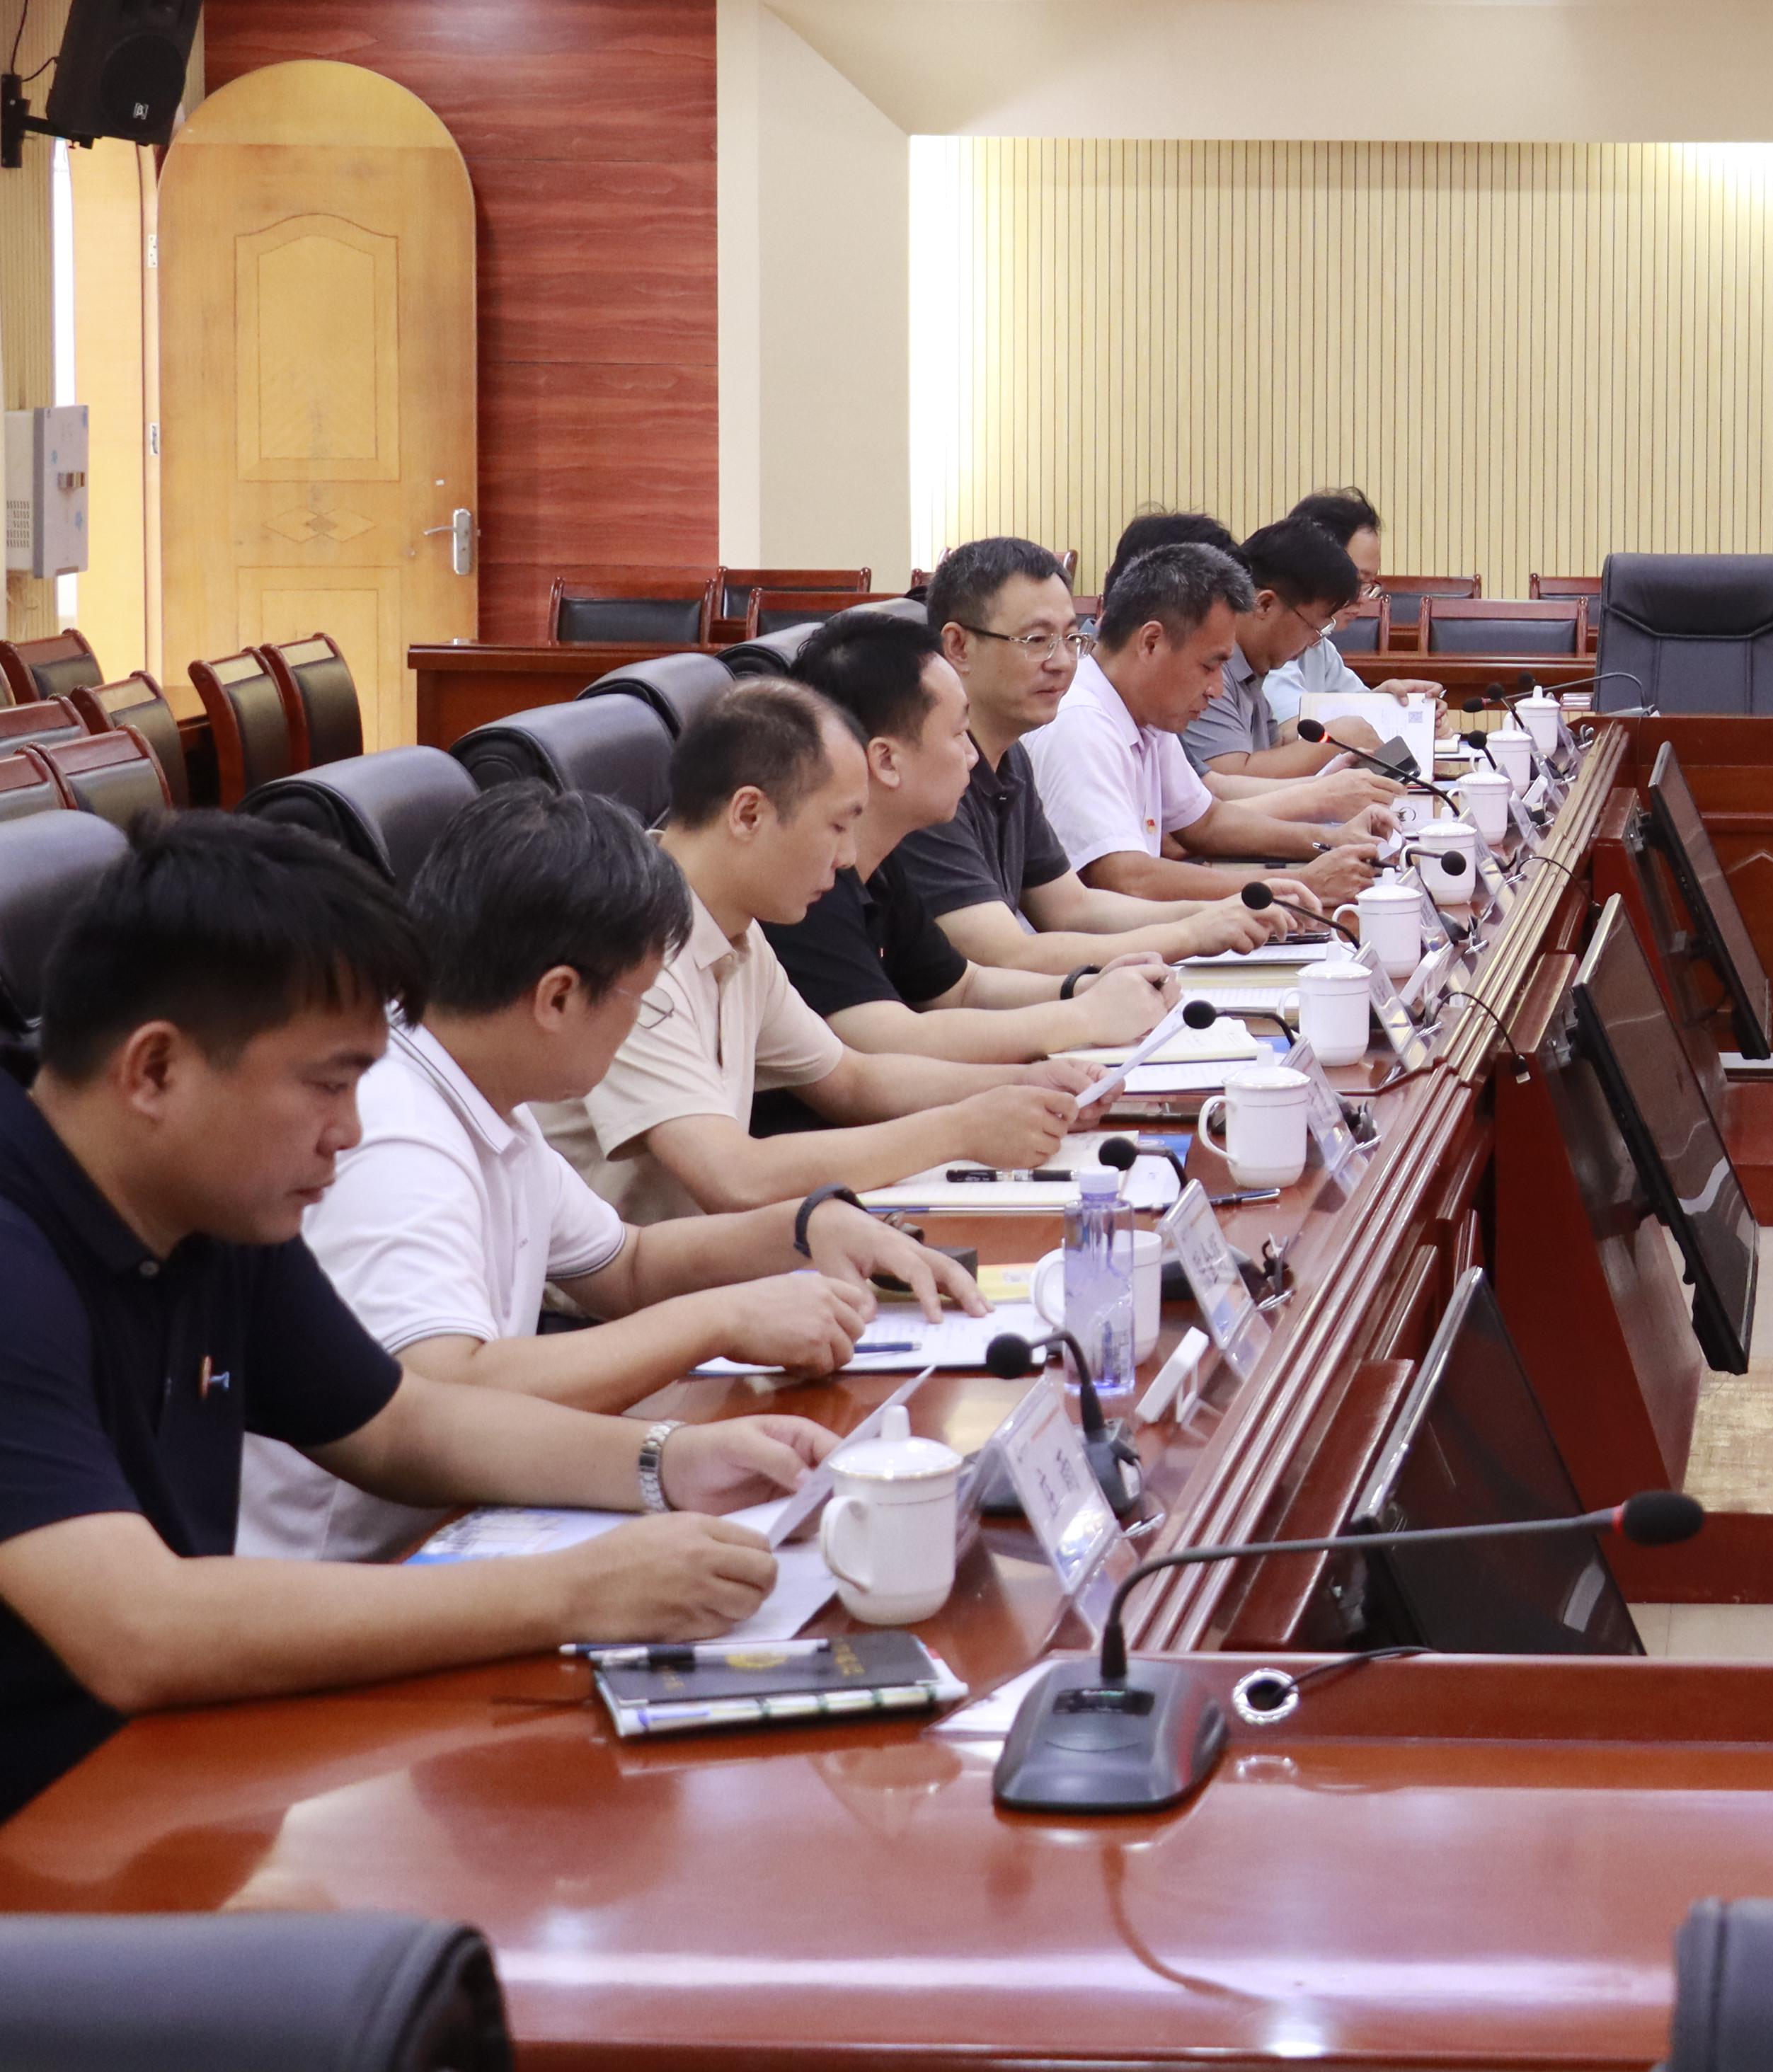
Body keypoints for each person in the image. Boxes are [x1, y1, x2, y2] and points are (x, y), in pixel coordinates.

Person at [0, 817, 832, 1822]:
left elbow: (399, 1423)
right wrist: (573, 1591)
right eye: (327, 1085)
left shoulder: (213, 1206)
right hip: (57, 1825)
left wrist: (667, 1462)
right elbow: (137, 1628)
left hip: (170, 1776)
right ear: (154, 1072)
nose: (350, 1131)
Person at [240, 786, 986, 1564]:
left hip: (465, 1524)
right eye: (639, 997)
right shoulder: (394, 1135)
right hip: (357, 1571)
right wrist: (722, 1320)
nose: (638, 1020)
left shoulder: (480, 1086)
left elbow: (625, 1264)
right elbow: (447, 1390)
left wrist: (805, 1225)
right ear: (559, 996)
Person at [536, 680, 1080, 1219]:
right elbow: (734, 1176)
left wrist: (1022, 1084)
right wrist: (960, 1130)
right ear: (748, 814)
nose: (847, 858)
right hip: (618, 1274)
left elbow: (850, 1080)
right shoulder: (629, 946)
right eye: (837, 825)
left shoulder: (735, 930)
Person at [774, 608, 1182, 1074]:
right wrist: (1085, 1017)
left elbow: (963, 989)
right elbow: (887, 1041)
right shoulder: (808, 883)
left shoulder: (881, 868)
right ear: (886, 761)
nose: (972, 756)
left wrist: (1083, 987)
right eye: (957, 735)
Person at [900, 536, 1292, 979]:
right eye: (1036, 640)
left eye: (1070, 638)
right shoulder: (925, 773)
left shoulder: (1010, 758)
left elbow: (1073, 908)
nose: (1062, 662)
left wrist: (1222, 911)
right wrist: (1190, 934)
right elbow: (1006, 956)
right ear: (958, 647)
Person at [1023, 539, 1378, 906]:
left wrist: (1331, 841)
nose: (1217, 689)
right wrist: (1298, 885)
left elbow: (1205, 822)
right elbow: (1127, 879)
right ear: (1151, 643)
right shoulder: (1081, 721)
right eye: (1210, 666)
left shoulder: (1147, 711)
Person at [1190, 486, 1442, 776]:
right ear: (1265, 604)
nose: (1315, 640)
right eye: (1314, 627)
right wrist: (1339, 742)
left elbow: (1274, 750)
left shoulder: (1253, 668)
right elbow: (1230, 781)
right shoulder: (1215, 666)